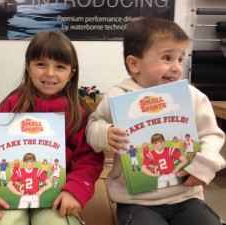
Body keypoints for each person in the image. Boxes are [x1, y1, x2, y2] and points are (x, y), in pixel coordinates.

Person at [85, 17, 225, 225]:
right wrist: (104, 133)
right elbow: (92, 126)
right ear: (134, 64)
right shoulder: (117, 96)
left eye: (180, 59)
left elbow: (211, 134)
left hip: (186, 196)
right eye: (167, 58)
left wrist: (203, 166)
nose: (177, 67)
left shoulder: (191, 95)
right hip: (135, 201)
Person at [0, 30, 105, 225]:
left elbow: (89, 159)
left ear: (71, 74)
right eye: (41, 64)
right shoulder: (12, 107)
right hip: (8, 200)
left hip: (55, 201)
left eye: (60, 66)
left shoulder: (78, 113)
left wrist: (76, 190)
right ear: (28, 68)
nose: (50, 73)